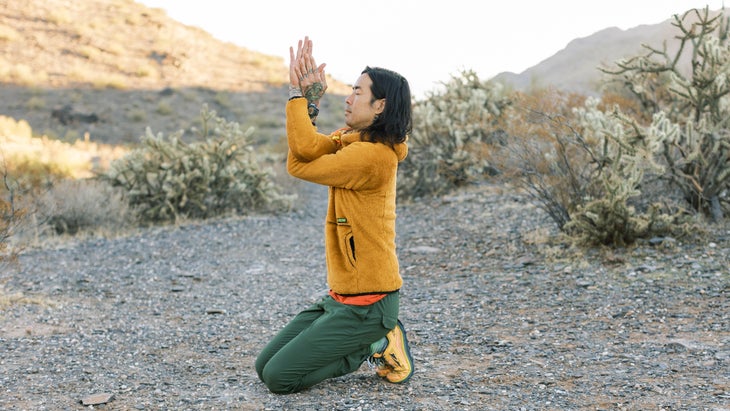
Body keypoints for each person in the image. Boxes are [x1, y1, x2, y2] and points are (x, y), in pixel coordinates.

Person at [254, 36, 414, 394]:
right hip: (341, 297)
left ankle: (374, 345)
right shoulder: (353, 141)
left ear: (379, 106)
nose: (348, 97)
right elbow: (306, 150)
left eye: (358, 92)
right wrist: (307, 100)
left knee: (280, 378)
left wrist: (299, 99)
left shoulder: (372, 157)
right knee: (264, 365)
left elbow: (298, 164)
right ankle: (366, 337)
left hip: (370, 305)